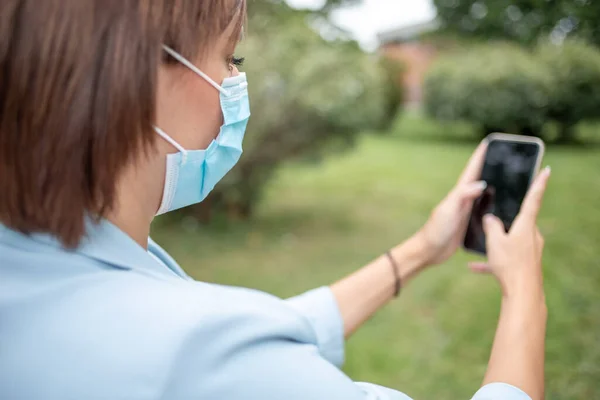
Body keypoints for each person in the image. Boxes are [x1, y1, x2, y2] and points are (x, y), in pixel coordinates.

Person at [0, 1, 550, 399]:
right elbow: (228, 358)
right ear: (140, 74)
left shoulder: (35, 265)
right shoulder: (200, 360)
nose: (235, 81)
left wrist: (420, 251)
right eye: (230, 58)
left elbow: (255, 338)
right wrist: (524, 286)